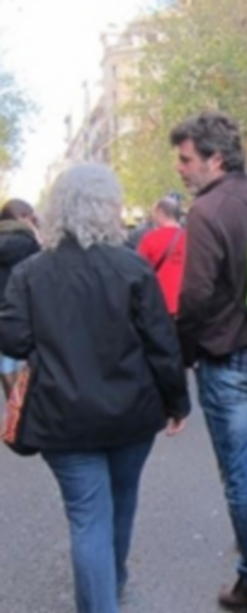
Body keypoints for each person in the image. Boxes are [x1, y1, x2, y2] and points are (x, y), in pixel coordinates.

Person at [0, 164, 189, 613]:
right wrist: (177, 401)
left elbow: (12, 339)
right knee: (121, 505)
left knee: (87, 517)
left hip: (62, 415)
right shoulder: (133, 267)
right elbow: (161, 343)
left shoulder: (30, 272)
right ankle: (114, 580)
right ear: (109, 208)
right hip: (131, 412)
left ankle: (100, 600)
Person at [171, 111, 247, 613]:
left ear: (214, 159)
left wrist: (181, 353)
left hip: (229, 358)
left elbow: (196, 294)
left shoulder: (206, 211)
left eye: (186, 159)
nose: (181, 169)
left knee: (239, 470)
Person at [0, 198, 40, 399]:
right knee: (13, 358)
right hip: (17, 306)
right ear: (22, 217)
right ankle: (15, 404)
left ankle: (11, 401)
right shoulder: (27, 243)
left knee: (4, 361)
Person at [137, 195, 186, 316]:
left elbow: (138, 269)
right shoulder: (191, 238)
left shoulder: (150, 239)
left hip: (158, 303)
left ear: (160, 212)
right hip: (185, 304)